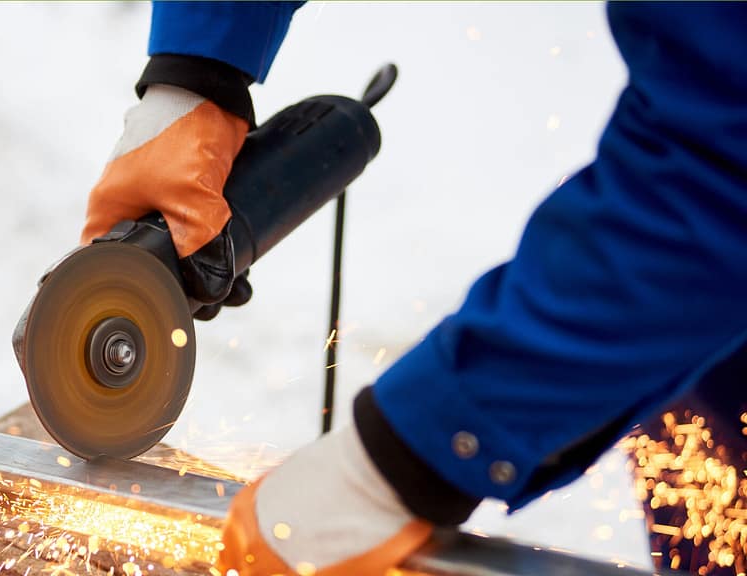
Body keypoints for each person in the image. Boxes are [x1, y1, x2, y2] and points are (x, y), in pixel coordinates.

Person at [79, 3, 747, 574]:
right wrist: (197, 70)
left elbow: (718, 168)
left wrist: (412, 453)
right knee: (697, 461)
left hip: (700, 259)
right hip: (694, 284)